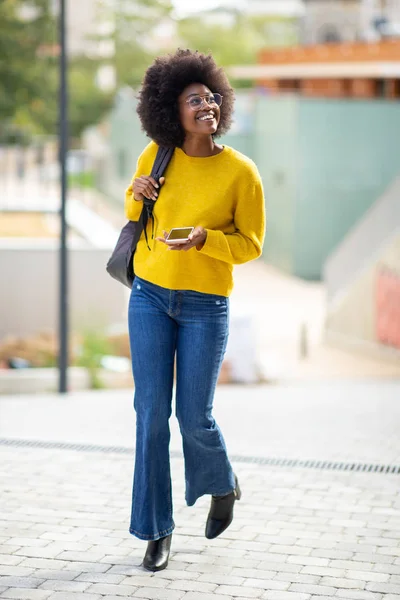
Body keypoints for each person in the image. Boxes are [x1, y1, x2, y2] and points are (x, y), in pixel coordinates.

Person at [125, 49, 265, 572]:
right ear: (170, 110)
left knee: (194, 415)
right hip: (150, 296)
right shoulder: (155, 155)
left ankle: (221, 483)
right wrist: (135, 193)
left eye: (210, 98)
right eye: (193, 100)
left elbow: (250, 243)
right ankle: (156, 531)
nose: (205, 105)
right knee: (149, 415)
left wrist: (207, 239)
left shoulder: (240, 171)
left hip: (206, 305)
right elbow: (136, 213)